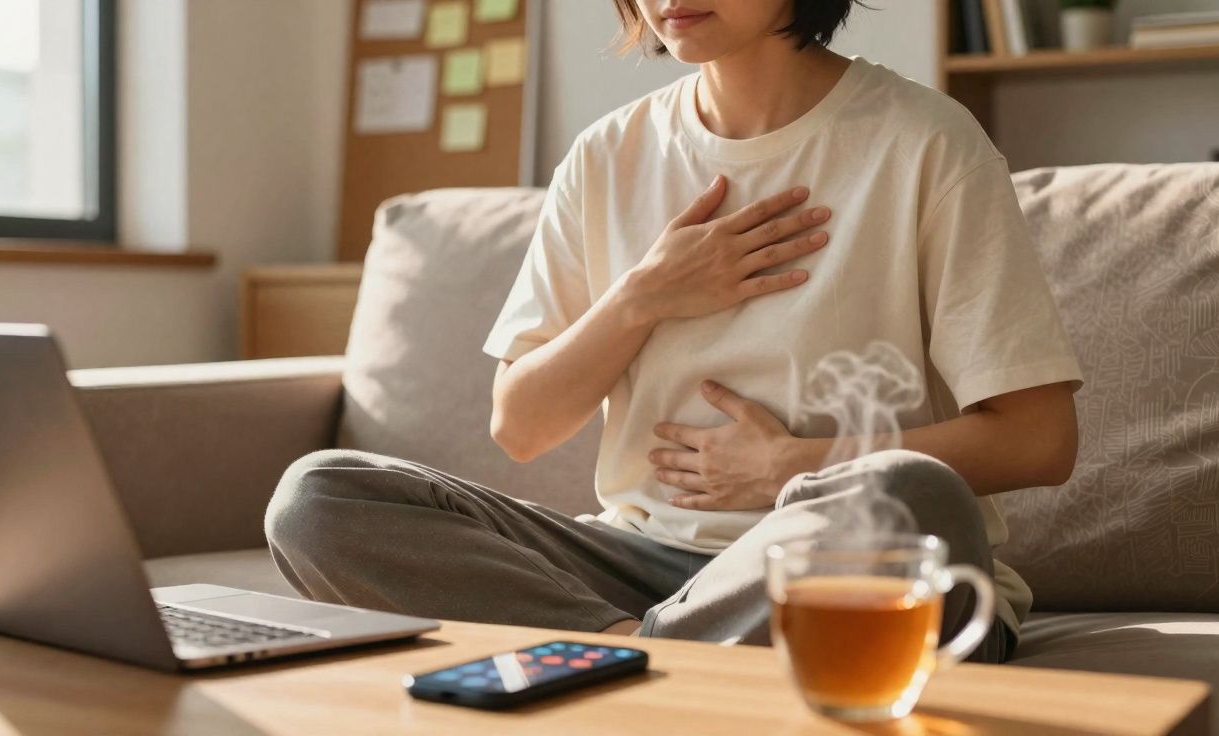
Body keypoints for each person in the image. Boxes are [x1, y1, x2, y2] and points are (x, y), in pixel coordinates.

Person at [266, 0, 1083, 663]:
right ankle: (654, 656)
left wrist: (792, 466)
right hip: (638, 567)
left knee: (911, 496)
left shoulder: (927, 143)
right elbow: (520, 425)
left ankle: (643, 666)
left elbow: (1040, 440)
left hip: (848, 566)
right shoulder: (605, 158)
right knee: (319, 498)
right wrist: (644, 296)